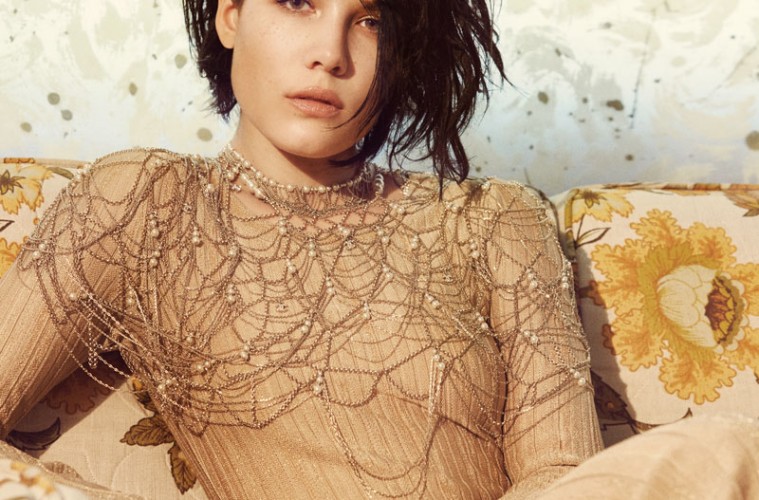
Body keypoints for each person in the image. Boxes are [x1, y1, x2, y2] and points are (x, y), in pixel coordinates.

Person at [9, 0, 753, 499]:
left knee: (725, 451)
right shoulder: (145, 200)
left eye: (369, 19)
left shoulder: (493, 218)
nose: (330, 54)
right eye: (297, 1)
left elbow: (560, 474)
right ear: (230, 13)